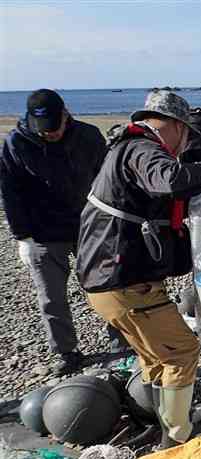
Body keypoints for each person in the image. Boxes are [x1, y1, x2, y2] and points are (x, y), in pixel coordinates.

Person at [76, 90, 201, 449]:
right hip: (123, 280)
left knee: (155, 357)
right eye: (186, 135)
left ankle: (163, 423)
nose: (184, 145)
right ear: (176, 126)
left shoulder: (125, 149)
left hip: (106, 280)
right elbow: (171, 180)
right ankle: (178, 438)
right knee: (181, 352)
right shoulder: (142, 148)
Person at [0, 89, 128, 375]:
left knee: (109, 285)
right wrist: (22, 236)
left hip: (89, 226)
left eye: (54, 128)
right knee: (51, 295)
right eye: (43, 131)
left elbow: (108, 179)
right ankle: (66, 352)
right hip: (42, 232)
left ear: (65, 114)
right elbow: (10, 192)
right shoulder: (16, 144)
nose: (50, 135)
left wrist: (113, 221)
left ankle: (121, 342)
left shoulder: (89, 136)